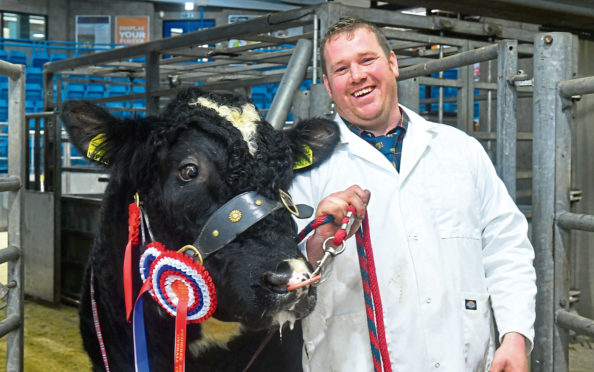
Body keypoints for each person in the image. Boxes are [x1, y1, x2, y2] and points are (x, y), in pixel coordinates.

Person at [289, 17, 536, 372]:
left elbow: (506, 246)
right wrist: (318, 240)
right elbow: (283, 276)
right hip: (351, 360)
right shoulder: (307, 171)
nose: (357, 75)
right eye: (341, 69)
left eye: (367, 59)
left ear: (392, 63)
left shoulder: (459, 150)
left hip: (462, 360)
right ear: (329, 86)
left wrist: (514, 336)